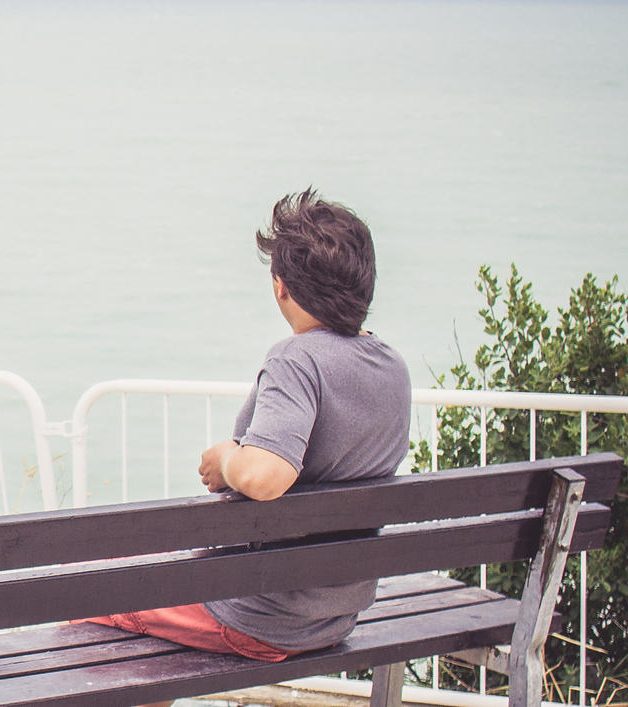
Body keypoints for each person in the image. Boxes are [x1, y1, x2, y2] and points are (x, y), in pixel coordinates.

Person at [84, 189, 412, 706]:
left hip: (262, 615)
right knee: (146, 593)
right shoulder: (391, 367)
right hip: (335, 612)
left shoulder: (296, 360)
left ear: (281, 287)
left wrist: (226, 460)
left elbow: (264, 475)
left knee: (87, 600)